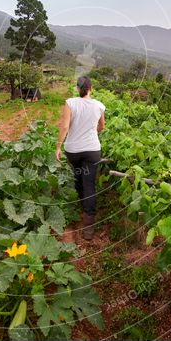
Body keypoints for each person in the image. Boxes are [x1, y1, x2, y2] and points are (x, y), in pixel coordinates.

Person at [55, 76, 105, 240]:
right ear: (91, 88)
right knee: (89, 183)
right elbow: (101, 126)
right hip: (92, 150)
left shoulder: (70, 102)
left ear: (78, 88)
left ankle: (81, 202)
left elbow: (64, 126)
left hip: (74, 150)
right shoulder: (99, 106)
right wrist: (91, 134)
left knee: (78, 175)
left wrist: (58, 146)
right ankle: (88, 226)